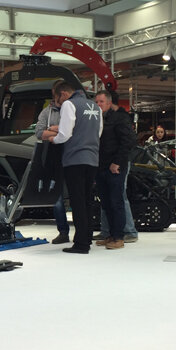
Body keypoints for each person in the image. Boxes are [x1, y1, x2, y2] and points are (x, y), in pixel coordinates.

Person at [46, 82, 101, 254]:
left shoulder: (70, 104)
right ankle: (87, 237)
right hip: (92, 158)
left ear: (63, 94)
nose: (59, 103)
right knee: (87, 200)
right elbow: (98, 132)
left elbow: (65, 134)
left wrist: (53, 139)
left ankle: (81, 244)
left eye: (58, 99)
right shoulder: (95, 106)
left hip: (75, 159)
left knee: (77, 202)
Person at [93, 91, 137, 249]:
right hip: (101, 165)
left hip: (115, 167)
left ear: (109, 102)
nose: (98, 104)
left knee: (116, 201)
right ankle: (111, 235)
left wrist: (117, 162)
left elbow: (128, 141)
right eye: (96, 102)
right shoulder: (98, 119)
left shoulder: (120, 118)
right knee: (106, 202)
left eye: (101, 101)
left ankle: (119, 237)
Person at [35, 93, 69, 244]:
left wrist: (54, 129)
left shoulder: (71, 110)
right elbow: (39, 132)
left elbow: (72, 132)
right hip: (52, 158)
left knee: (77, 196)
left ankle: (82, 231)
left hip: (70, 156)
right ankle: (63, 232)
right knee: (56, 196)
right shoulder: (46, 112)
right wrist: (61, 131)